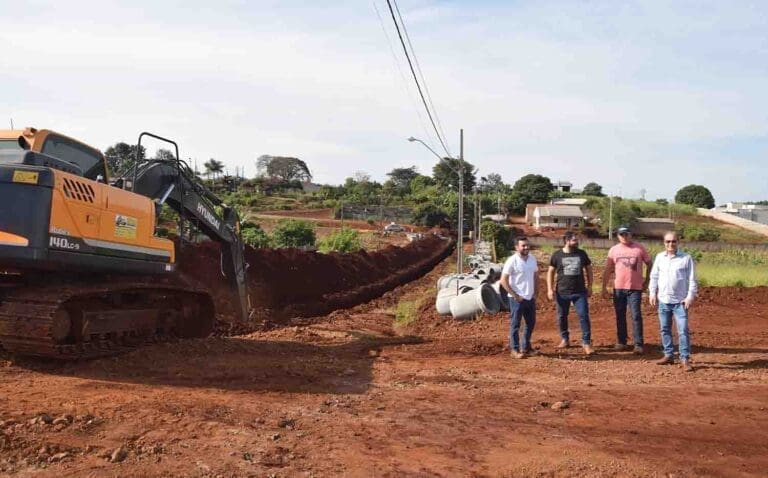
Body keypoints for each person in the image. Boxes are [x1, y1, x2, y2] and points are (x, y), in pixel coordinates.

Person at [648, 231, 698, 372]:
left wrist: (690, 297)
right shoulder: (659, 257)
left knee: (682, 330)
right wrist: (652, 293)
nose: (671, 244)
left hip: (680, 302)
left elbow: (692, 279)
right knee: (665, 329)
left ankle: (684, 358)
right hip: (663, 300)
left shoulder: (686, 258)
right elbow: (654, 276)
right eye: (668, 241)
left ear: (678, 242)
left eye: (673, 241)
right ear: (664, 243)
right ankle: (668, 354)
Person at [601, 225, 652, 354]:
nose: (624, 236)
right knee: (620, 315)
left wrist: (647, 280)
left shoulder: (639, 248)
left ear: (631, 234)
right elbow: (608, 269)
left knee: (635, 315)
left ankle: (638, 344)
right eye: (621, 234)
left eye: (626, 234)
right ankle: (621, 342)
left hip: (635, 288)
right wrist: (603, 287)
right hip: (618, 288)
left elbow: (650, 263)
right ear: (618, 236)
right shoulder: (613, 250)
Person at [547, 231, 595, 355]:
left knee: (584, 315)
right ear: (567, 241)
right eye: (574, 240)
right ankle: (565, 339)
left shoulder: (582, 254)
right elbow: (550, 272)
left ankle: (586, 342)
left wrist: (590, 286)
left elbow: (589, 269)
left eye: (576, 240)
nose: (577, 242)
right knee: (562, 316)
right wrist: (549, 289)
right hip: (562, 292)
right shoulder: (557, 255)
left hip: (579, 292)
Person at [500, 237, 539, 359]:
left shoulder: (532, 259)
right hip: (517, 299)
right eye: (523, 246)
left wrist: (536, 292)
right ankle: (515, 349)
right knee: (515, 324)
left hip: (529, 297)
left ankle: (526, 346)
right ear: (517, 247)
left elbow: (536, 275)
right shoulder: (512, 261)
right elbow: (503, 280)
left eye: (527, 245)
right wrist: (515, 295)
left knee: (530, 323)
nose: (526, 248)